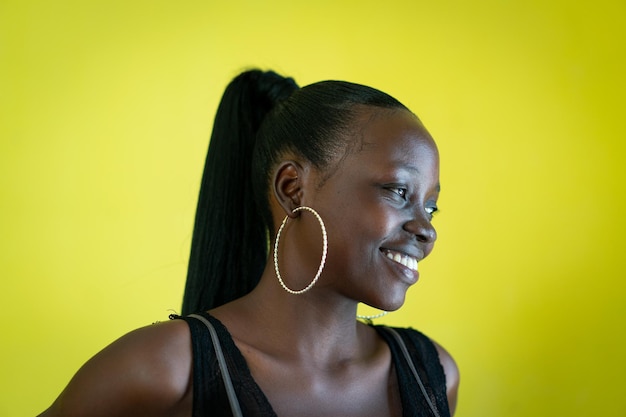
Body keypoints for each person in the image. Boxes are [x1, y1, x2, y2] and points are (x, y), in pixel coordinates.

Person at [39, 69, 459, 416]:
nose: (426, 228)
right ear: (293, 188)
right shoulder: (166, 369)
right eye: (399, 192)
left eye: (431, 207)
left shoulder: (432, 375)